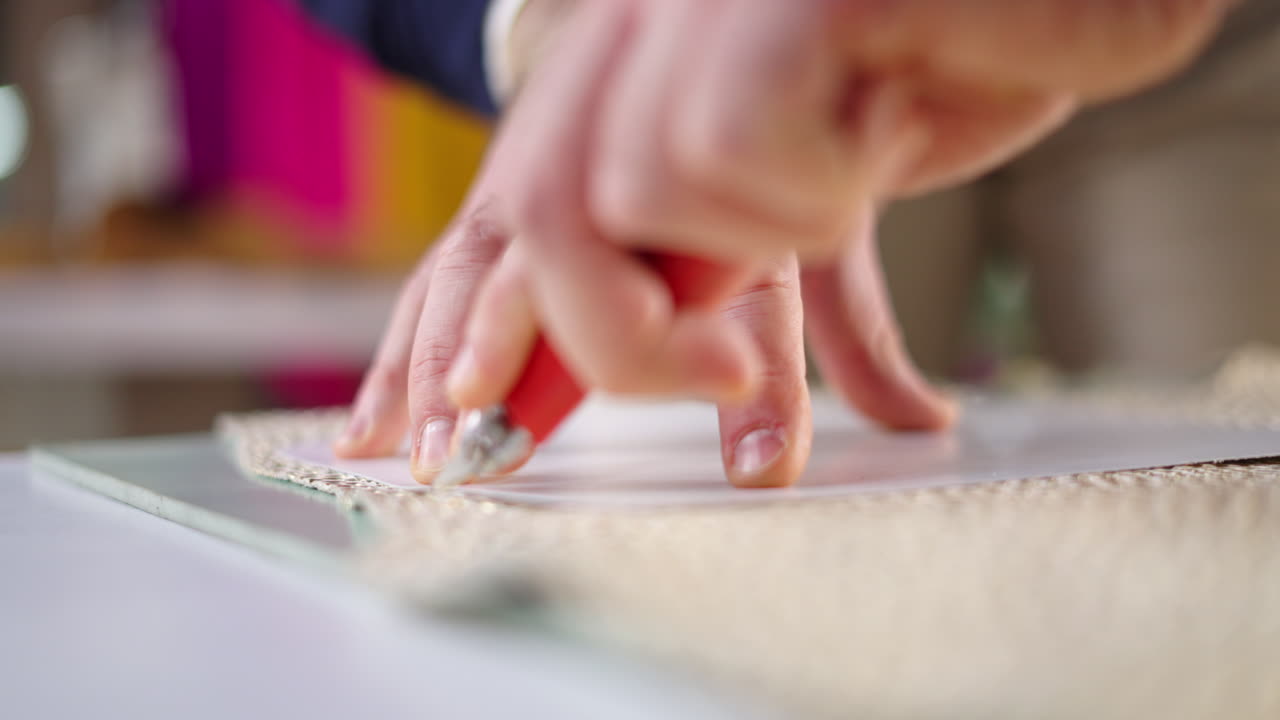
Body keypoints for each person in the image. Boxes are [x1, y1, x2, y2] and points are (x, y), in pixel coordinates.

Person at [302, 0, 1232, 487]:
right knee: (750, 452)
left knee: (1220, 468)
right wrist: (558, 18)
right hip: (744, 45)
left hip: (1212, 45)